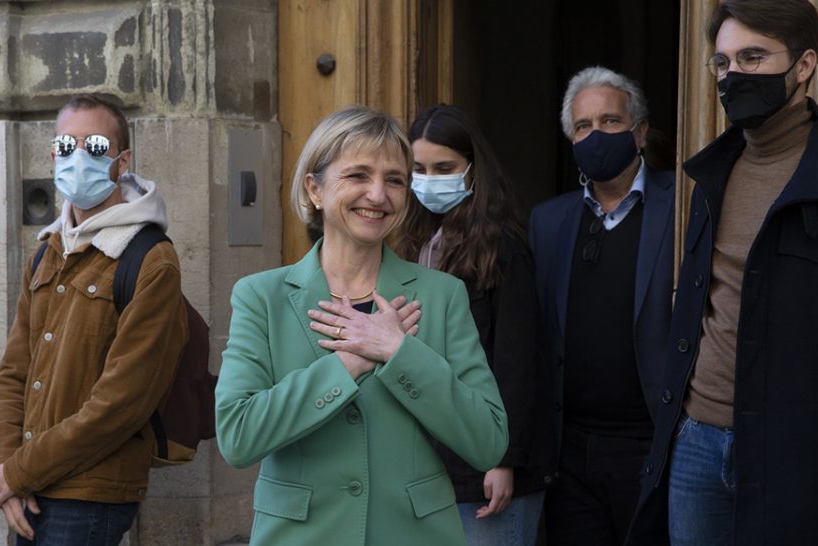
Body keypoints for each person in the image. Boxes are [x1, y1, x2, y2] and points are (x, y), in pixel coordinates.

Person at [625, 1, 818, 545]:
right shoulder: (711, 177)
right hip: (696, 449)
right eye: (723, 63)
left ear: (804, 65)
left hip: (796, 462)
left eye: (753, 57)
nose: (734, 76)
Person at [214, 106, 509, 546]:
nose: (378, 194)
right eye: (357, 176)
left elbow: (488, 442)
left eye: (394, 180)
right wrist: (348, 362)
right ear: (314, 189)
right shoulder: (262, 296)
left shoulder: (441, 295)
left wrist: (399, 352)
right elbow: (238, 437)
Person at [0, 94, 188, 545]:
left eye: (96, 145)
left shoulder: (150, 259)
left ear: (123, 159)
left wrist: (19, 471)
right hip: (29, 489)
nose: (79, 157)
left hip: (90, 496)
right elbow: (12, 375)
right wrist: (5, 471)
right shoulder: (47, 251)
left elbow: (121, 404)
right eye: (66, 145)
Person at [528, 66, 675, 545]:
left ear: (640, 132)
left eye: (610, 122)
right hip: (571, 456)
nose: (596, 135)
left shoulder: (685, 205)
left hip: (653, 448)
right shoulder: (548, 222)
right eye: (583, 127)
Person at [394, 104, 551, 546]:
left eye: (445, 168)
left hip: (486, 464)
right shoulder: (411, 244)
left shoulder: (502, 249)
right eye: (419, 169)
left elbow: (517, 363)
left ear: (472, 169)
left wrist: (503, 460)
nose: (429, 180)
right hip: (426, 464)